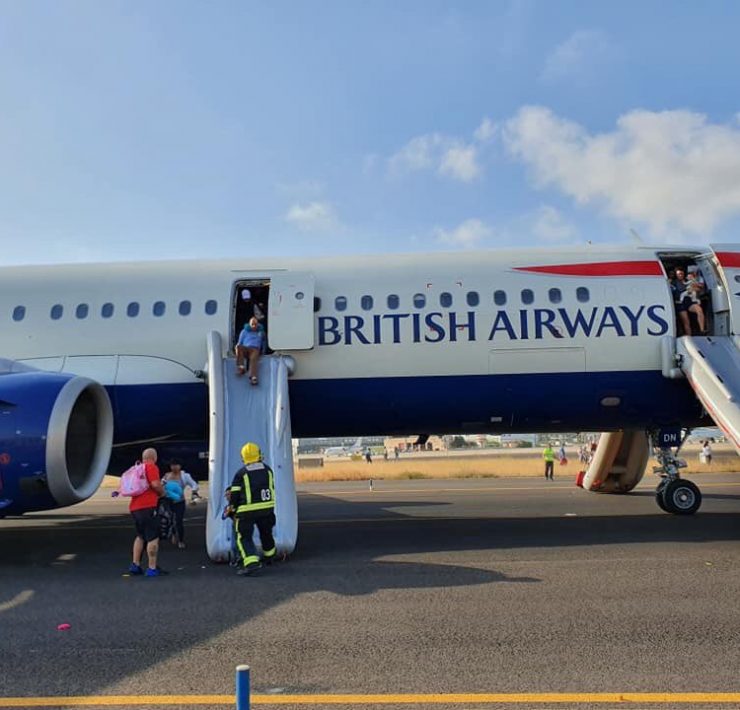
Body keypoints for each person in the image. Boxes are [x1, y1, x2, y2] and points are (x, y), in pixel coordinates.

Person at [229, 442, 277, 576]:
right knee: (266, 533)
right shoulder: (268, 470)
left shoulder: (241, 473)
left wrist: (232, 509)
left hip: (246, 512)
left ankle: (251, 564)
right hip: (267, 509)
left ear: (243, 457)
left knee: (244, 537)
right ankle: (270, 557)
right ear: (259, 454)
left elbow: (235, 494)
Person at [128, 447, 166, 577]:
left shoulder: (136, 469)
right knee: (153, 537)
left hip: (135, 507)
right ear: (154, 458)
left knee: (140, 536)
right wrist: (162, 492)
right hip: (148, 506)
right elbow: (155, 484)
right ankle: (152, 567)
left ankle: (135, 564)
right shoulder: (151, 467)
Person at [162, 459, 200, 548]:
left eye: (176, 465)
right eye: (172, 465)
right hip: (168, 501)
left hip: (180, 502)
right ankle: (173, 533)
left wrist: (194, 492)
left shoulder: (185, 476)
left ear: (180, 466)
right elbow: (161, 485)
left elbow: (194, 484)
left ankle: (181, 540)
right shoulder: (167, 476)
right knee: (170, 520)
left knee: (179, 521)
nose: (174, 467)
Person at [235, 316, 265, 385]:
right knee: (239, 347)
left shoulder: (261, 332)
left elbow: (264, 342)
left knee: (253, 359)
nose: (254, 326)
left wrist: (263, 351)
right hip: (246, 348)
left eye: (255, 324)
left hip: (255, 349)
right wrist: (237, 348)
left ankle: (253, 377)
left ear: (258, 325)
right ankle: (241, 367)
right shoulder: (244, 331)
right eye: (252, 324)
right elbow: (240, 341)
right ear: (249, 324)